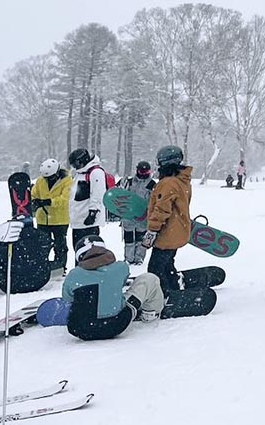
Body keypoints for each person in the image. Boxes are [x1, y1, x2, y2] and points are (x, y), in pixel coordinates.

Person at [62, 235, 164, 341]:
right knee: (149, 279)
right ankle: (150, 313)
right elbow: (123, 282)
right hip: (116, 325)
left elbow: (67, 297)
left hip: (80, 330)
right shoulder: (120, 267)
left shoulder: (74, 275)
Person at [142, 145, 192, 295]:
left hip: (167, 233)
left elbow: (162, 209)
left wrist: (152, 230)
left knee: (155, 269)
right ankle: (173, 287)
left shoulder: (169, 183)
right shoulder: (182, 181)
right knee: (167, 264)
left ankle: (162, 295)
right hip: (177, 231)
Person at [0, 214, 52, 294]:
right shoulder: (41, 237)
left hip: (13, 286)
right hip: (42, 280)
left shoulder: (7, 241)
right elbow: (49, 246)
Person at [30, 158, 72, 275]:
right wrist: (35, 202)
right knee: (42, 245)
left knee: (60, 245)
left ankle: (61, 266)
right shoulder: (40, 181)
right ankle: (42, 266)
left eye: (50, 177)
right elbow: (33, 194)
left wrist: (50, 201)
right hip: (43, 219)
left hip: (60, 219)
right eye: (46, 178)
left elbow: (66, 198)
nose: (48, 180)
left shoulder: (67, 181)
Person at [67, 148, 108, 247]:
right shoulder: (80, 173)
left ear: (83, 160)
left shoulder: (95, 172)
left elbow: (98, 194)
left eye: (76, 165)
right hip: (78, 220)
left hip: (88, 221)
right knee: (78, 248)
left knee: (88, 250)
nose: (75, 167)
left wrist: (93, 213)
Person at [121, 161, 155, 265]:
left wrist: (148, 213)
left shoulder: (152, 184)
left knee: (141, 239)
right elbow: (121, 195)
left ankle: (139, 258)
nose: (144, 173)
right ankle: (128, 258)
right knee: (129, 238)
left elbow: (154, 201)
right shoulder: (130, 182)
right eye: (142, 171)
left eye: (146, 171)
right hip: (129, 216)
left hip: (143, 216)